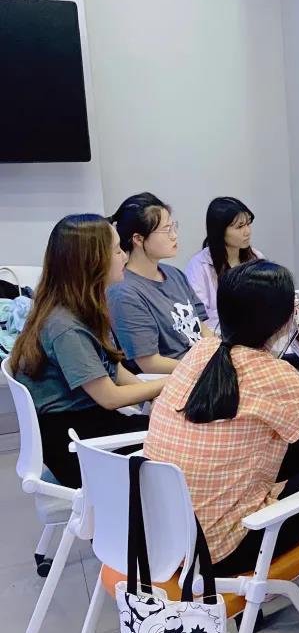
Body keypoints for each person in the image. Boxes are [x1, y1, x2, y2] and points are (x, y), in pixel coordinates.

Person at [143, 260, 299, 632]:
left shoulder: (203, 352)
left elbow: (253, 401)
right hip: (223, 550)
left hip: (168, 538)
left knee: (295, 443)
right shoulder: (272, 372)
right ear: (284, 321)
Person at [9, 215, 167, 488]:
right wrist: (168, 385)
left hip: (88, 425)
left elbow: (115, 370)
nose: (124, 256)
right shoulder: (65, 326)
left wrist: (157, 392)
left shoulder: (81, 309)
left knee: (176, 427)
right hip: (75, 444)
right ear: (92, 262)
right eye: (116, 250)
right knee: (186, 440)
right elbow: (110, 397)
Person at [108, 192, 209, 374]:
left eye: (173, 227)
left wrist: (220, 352)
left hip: (201, 364)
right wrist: (206, 368)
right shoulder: (124, 293)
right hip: (173, 377)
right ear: (138, 239)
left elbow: (199, 325)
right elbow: (149, 363)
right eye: (166, 230)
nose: (174, 236)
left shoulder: (174, 274)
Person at [185, 196, 263, 332]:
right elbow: (198, 317)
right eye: (240, 227)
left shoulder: (256, 258)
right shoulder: (199, 266)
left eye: (248, 224)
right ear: (220, 231)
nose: (247, 231)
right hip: (217, 338)